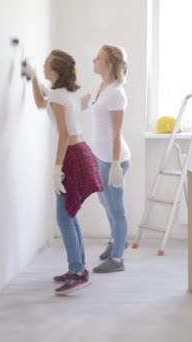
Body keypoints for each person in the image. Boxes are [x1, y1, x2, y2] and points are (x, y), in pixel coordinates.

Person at [26, 50, 103, 294]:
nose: (44, 66)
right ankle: (77, 268)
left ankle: (78, 271)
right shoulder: (64, 93)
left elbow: (64, 133)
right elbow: (41, 102)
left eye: (46, 65)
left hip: (72, 154)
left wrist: (57, 168)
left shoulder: (59, 96)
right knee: (69, 213)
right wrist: (34, 78)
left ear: (55, 71)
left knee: (64, 216)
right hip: (79, 151)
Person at [81, 45, 131, 273]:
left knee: (116, 207)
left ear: (109, 64)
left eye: (98, 58)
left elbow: (116, 133)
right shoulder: (101, 87)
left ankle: (118, 258)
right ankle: (116, 241)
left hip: (114, 160)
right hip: (101, 156)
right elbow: (79, 103)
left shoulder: (116, 93)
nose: (94, 60)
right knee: (104, 202)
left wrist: (115, 164)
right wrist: (50, 92)